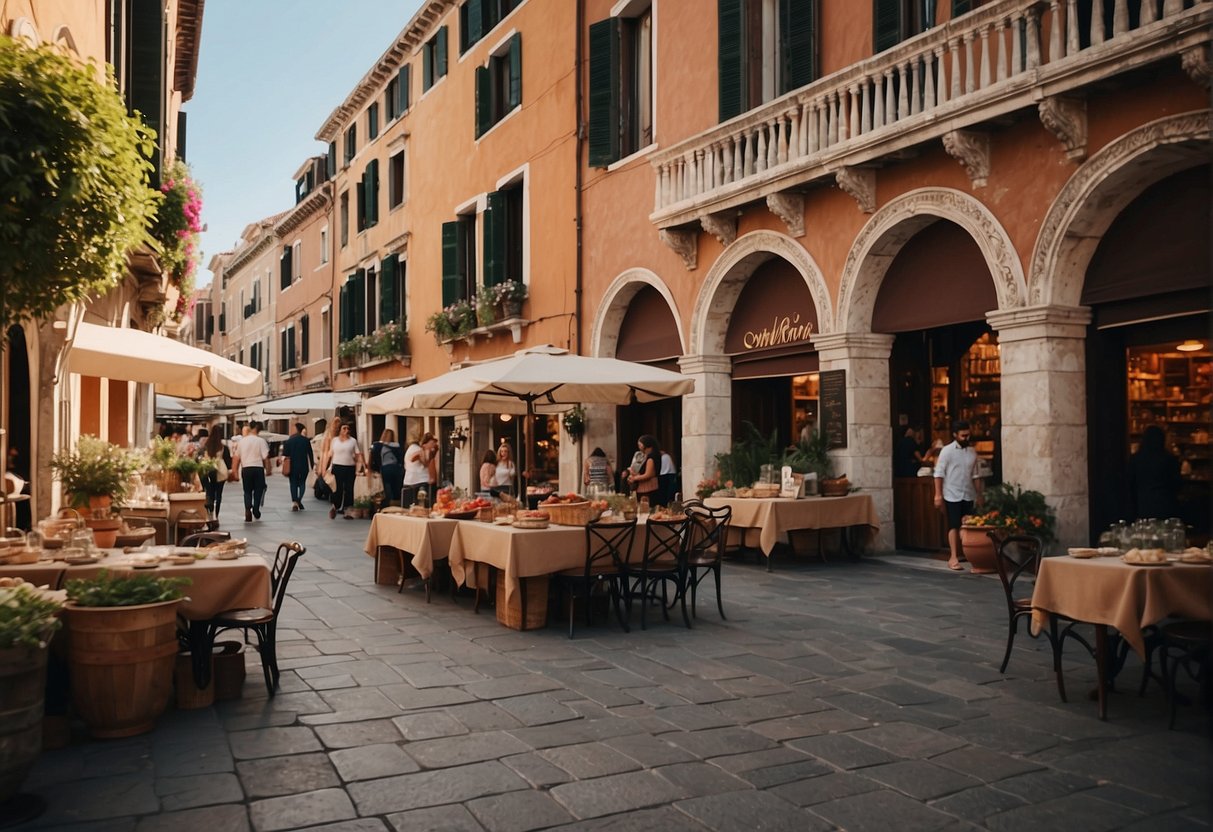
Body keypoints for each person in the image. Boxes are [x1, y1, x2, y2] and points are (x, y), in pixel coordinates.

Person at [933, 419, 984, 572]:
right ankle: (953, 556)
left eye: (968, 435)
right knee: (954, 525)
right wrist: (938, 495)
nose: (966, 438)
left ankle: (969, 554)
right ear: (955, 435)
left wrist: (979, 494)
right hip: (951, 493)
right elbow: (939, 473)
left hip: (968, 493)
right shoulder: (947, 451)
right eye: (963, 436)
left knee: (968, 525)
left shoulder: (972, 451)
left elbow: (975, 475)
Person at [1128, 425, 1182, 521]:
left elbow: (1130, 483)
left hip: (1143, 504)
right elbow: (1177, 483)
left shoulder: (1135, 459)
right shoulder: (1169, 459)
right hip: (1166, 504)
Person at [323, 421, 364, 519]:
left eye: (348, 428)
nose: (346, 430)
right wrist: (325, 467)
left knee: (349, 489)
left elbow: (358, 454)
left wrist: (361, 466)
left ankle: (348, 510)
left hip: (350, 467)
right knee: (337, 488)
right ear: (340, 430)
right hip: (337, 466)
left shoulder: (353, 441)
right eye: (344, 428)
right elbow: (330, 454)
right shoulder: (335, 440)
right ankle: (335, 506)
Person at [233, 421, 271, 522]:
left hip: (246, 468)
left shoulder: (242, 441)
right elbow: (266, 457)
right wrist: (268, 470)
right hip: (258, 468)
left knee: (247, 491)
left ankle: (247, 509)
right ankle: (256, 509)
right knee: (259, 490)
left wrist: (235, 472)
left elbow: (236, 458)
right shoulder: (261, 441)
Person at [199, 429, 231, 523]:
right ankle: (217, 514)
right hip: (221, 470)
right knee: (219, 494)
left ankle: (210, 511)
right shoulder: (223, 447)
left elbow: (201, 457)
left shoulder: (207, 446)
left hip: (209, 469)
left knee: (210, 492)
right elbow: (228, 461)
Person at [621, 434, 663, 506]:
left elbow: (648, 474)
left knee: (646, 509)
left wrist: (634, 478)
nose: (639, 447)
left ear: (646, 445)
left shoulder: (651, 457)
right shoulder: (648, 456)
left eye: (640, 445)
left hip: (647, 489)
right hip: (645, 488)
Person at [282, 422, 314, 511]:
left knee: (293, 484)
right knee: (302, 483)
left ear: (296, 429)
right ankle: (299, 499)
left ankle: (295, 502)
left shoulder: (289, 441)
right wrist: (312, 465)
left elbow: (285, 454)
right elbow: (310, 454)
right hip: (304, 465)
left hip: (292, 466)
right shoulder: (306, 440)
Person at [371, 428, 404, 506]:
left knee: (386, 486)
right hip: (396, 468)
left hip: (385, 468)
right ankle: (395, 502)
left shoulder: (378, 445)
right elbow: (400, 456)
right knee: (396, 487)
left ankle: (387, 503)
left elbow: (374, 456)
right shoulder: (396, 445)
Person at [402, 432, 436, 507]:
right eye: (432, 443)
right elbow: (414, 458)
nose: (434, 445)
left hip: (409, 481)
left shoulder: (410, 449)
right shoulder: (417, 449)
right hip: (420, 481)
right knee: (422, 505)